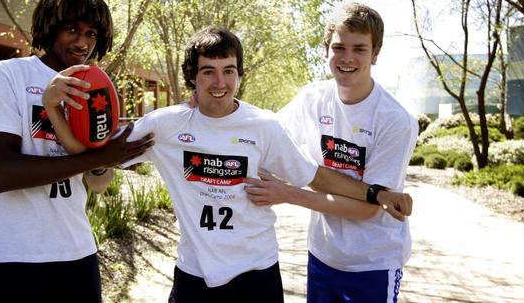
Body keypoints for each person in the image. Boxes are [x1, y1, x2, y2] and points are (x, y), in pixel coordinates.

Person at [45, 25, 412, 303]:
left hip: (256, 276)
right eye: (208, 72)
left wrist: (376, 193)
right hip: (193, 276)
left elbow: (315, 176)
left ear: (239, 74)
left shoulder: (264, 126)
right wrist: (53, 111)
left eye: (228, 71)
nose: (219, 82)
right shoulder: (164, 125)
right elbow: (97, 167)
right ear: (192, 76)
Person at [0, 0, 154, 303]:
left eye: (91, 33)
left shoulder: (94, 87)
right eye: (72, 30)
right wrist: (98, 157)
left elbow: (97, 183)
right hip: (12, 258)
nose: (82, 43)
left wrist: (105, 160)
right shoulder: (6, 75)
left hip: (77, 254)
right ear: (50, 27)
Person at [245, 2, 418, 302]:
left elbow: (368, 207)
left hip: (373, 264)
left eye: (359, 49)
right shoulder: (312, 99)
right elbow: (265, 138)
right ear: (326, 49)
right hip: (323, 255)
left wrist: (288, 193)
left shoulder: (396, 120)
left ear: (376, 54)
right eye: (339, 47)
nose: (347, 58)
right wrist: (214, 107)